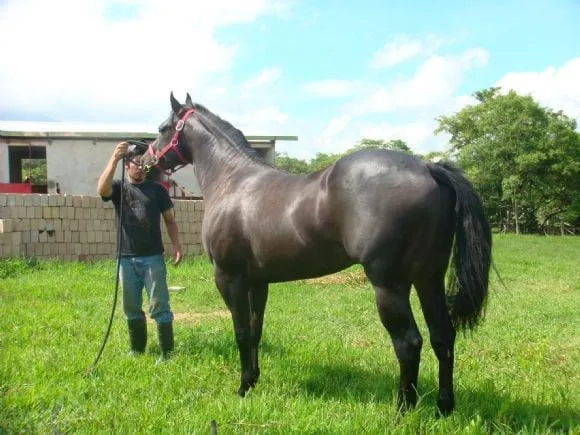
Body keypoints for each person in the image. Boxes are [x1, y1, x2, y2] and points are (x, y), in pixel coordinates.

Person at [97, 141, 182, 362]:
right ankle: (137, 350)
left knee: (160, 305)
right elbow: (102, 190)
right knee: (131, 306)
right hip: (125, 259)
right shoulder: (118, 189)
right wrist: (114, 158)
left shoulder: (157, 190)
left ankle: (167, 353)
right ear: (127, 165)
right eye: (136, 162)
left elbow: (170, 220)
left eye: (144, 163)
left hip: (152, 257)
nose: (141, 167)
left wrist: (177, 246)